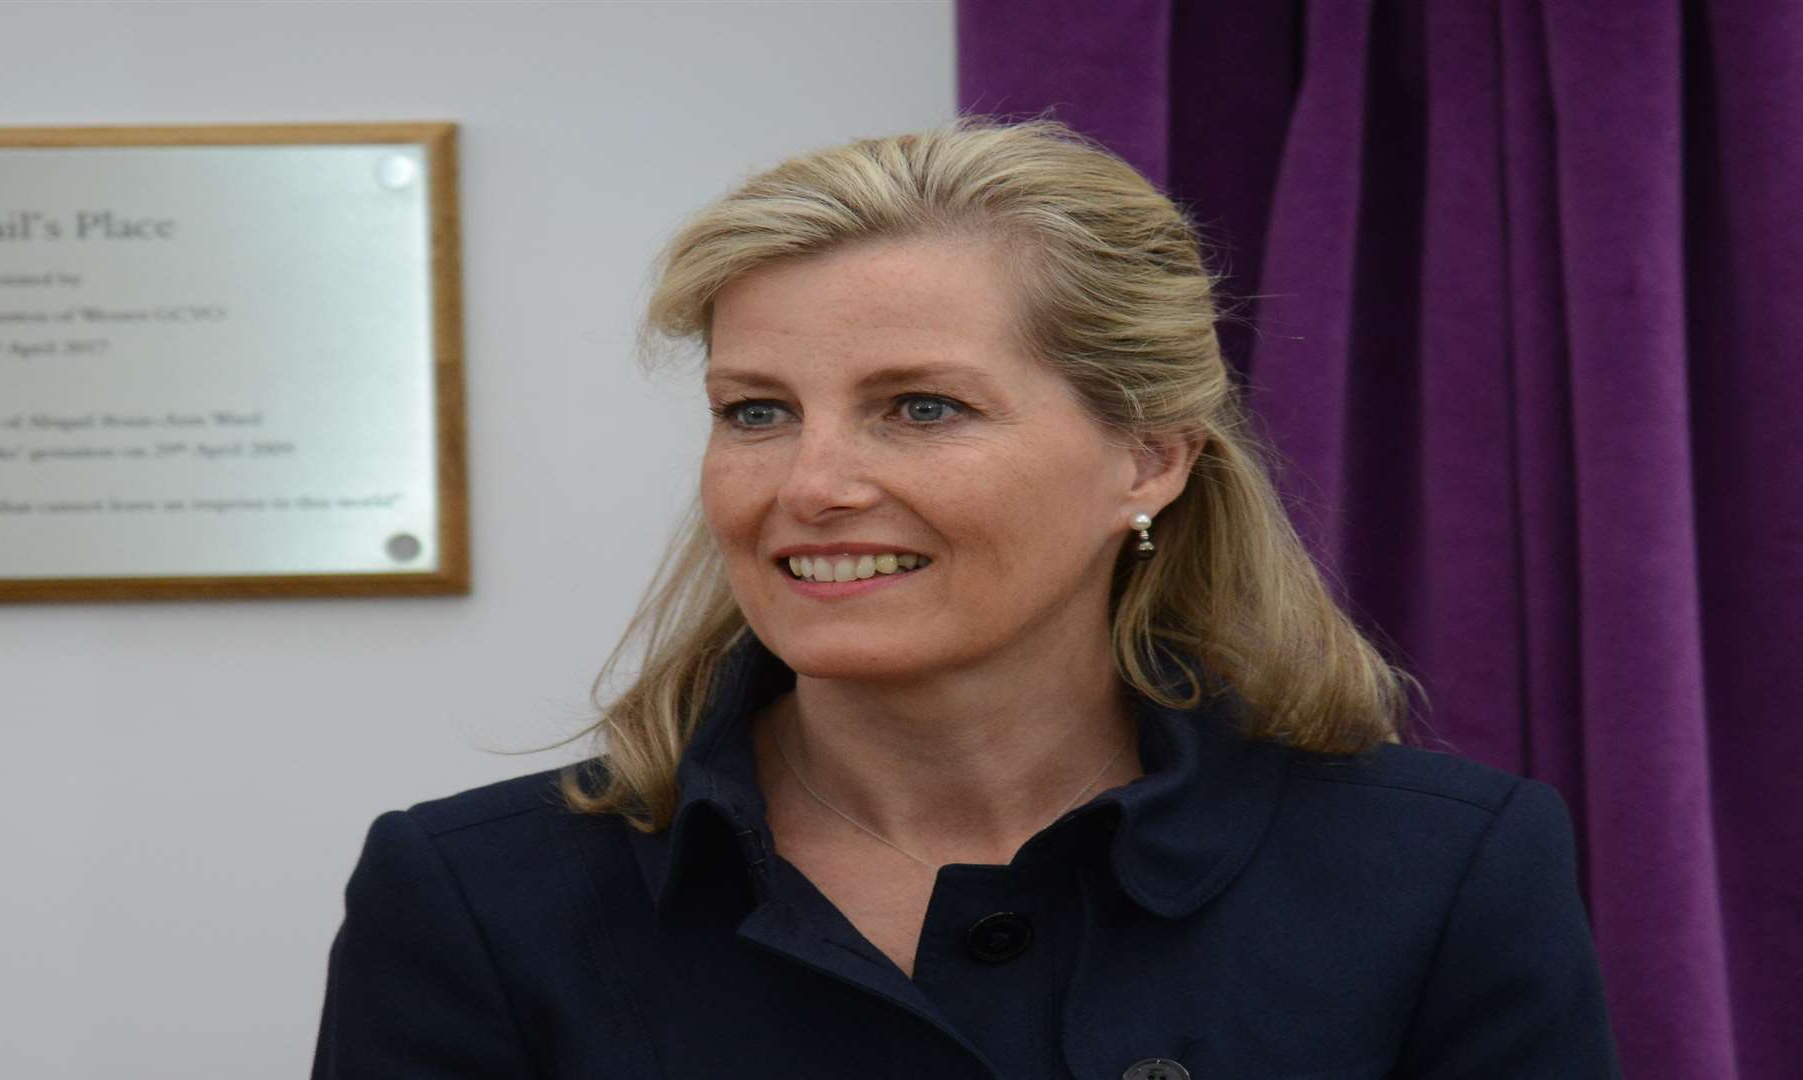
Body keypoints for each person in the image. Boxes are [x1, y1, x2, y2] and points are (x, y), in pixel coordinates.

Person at [311, 118, 1621, 1079]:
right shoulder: (475, 899)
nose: (811, 486)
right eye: (756, 413)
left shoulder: (1443, 871)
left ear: (1148, 456)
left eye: (921, 408)